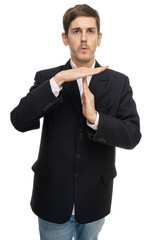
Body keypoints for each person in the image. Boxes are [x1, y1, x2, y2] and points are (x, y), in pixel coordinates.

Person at [10, 4, 141, 240]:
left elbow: (132, 136)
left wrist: (96, 119)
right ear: (65, 37)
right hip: (52, 198)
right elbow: (19, 120)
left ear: (99, 38)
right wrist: (57, 81)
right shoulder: (46, 78)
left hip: (95, 199)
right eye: (76, 31)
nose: (83, 39)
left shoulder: (119, 82)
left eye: (90, 31)